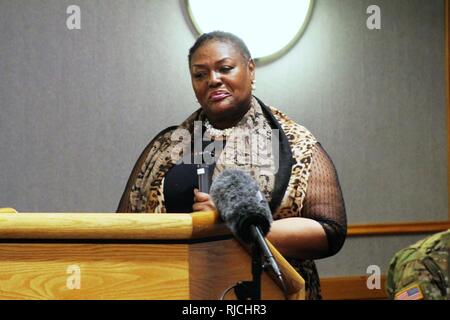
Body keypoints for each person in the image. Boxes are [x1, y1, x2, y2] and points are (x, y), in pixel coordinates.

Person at [117, 31, 347, 300]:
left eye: (225, 68)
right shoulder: (168, 146)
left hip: (263, 292)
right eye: (200, 74)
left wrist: (235, 226)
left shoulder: (295, 144)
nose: (213, 80)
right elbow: (124, 228)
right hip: (175, 289)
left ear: (250, 69)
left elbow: (330, 231)